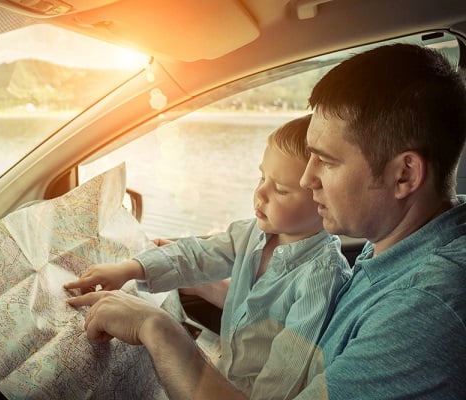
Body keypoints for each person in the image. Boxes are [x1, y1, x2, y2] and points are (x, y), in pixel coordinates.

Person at [67, 43, 466, 399]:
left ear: (404, 176)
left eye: (326, 161)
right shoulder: (395, 250)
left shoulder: (425, 311)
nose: (309, 180)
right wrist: (211, 285)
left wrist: (156, 328)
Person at [65, 114, 351, 398]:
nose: (259, 193)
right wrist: (131, 268)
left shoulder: (321, 278)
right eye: (262, 177)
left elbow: (288, 371)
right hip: (227, 373)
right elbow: (197, 255)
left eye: (280, 190)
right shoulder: (254, 233)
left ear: (322, 198)